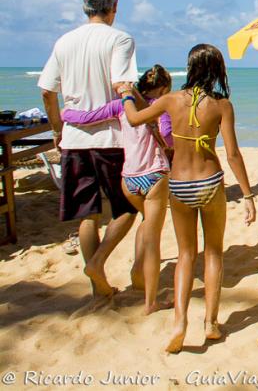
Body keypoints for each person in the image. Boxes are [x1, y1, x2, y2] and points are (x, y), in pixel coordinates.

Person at [119, 44, 256, 353]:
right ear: (217, 70)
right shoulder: (222, 106)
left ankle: (180, 323)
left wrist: (127, 94)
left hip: (179, 185)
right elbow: (233, 154)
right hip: (209, 182)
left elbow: (134, 119)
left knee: (185, 255)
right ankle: (210, 323)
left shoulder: (170, 100)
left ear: (191, 68)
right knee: (213, 253)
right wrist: (247, 194)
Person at [38, 0, 138, 298]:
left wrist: (57, 129)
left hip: (74, 139)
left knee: (87, 214)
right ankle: (97, 262)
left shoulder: (65, 41)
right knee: (126, 209)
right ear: (115, 6)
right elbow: (123, 84)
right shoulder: (119, 39)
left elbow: (46, 90)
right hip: (111, 138)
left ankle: (99, 289)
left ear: (85, 7)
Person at [60, 65, 174, 314]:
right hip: (153, 174)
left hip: (128, 178)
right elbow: (168, 137)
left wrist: (67, 115)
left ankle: (103, 262)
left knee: (143, 219)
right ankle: (142, 282)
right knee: (151, 231)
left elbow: (90, 117)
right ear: (164, 88)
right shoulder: (162, 106)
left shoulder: (123, 105)